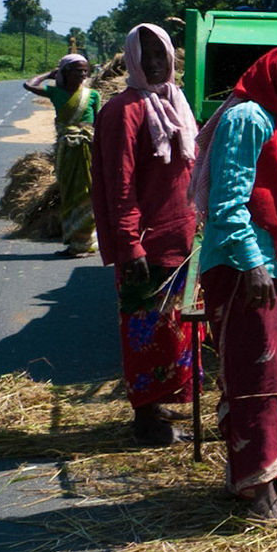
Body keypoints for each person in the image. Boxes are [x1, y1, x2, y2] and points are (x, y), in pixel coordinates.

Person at [190, 44, 277, 519]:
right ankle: (258, 494)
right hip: (243, 272)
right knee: (258, 378)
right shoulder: (247, 119)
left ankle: (269, 475)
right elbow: (228, 204)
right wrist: (253, 263)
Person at [90, 24, 202, 446]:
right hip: (145, 246)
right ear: (132, 59)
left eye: (162, 54)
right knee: (144, 334)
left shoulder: (175, 101)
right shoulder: (124, 110)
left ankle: (161, 403)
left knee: (173, 331)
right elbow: (119, 185)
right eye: (147, 55)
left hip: (181, 239)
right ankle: (147, 422)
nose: (156, 63)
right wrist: (130, 244)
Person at [24, 54, 100, 257]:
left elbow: (99, 123)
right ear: (65, 72)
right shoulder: (56, 93)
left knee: (87, 191)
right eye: (77, 70)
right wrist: (48, 74)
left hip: (87, 148)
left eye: (85, 70)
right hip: (67, 150)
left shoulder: (92, 95)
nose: (83, 74)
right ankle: (74, 241)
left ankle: (87, 241)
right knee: (68, 191)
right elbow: (28, 85)